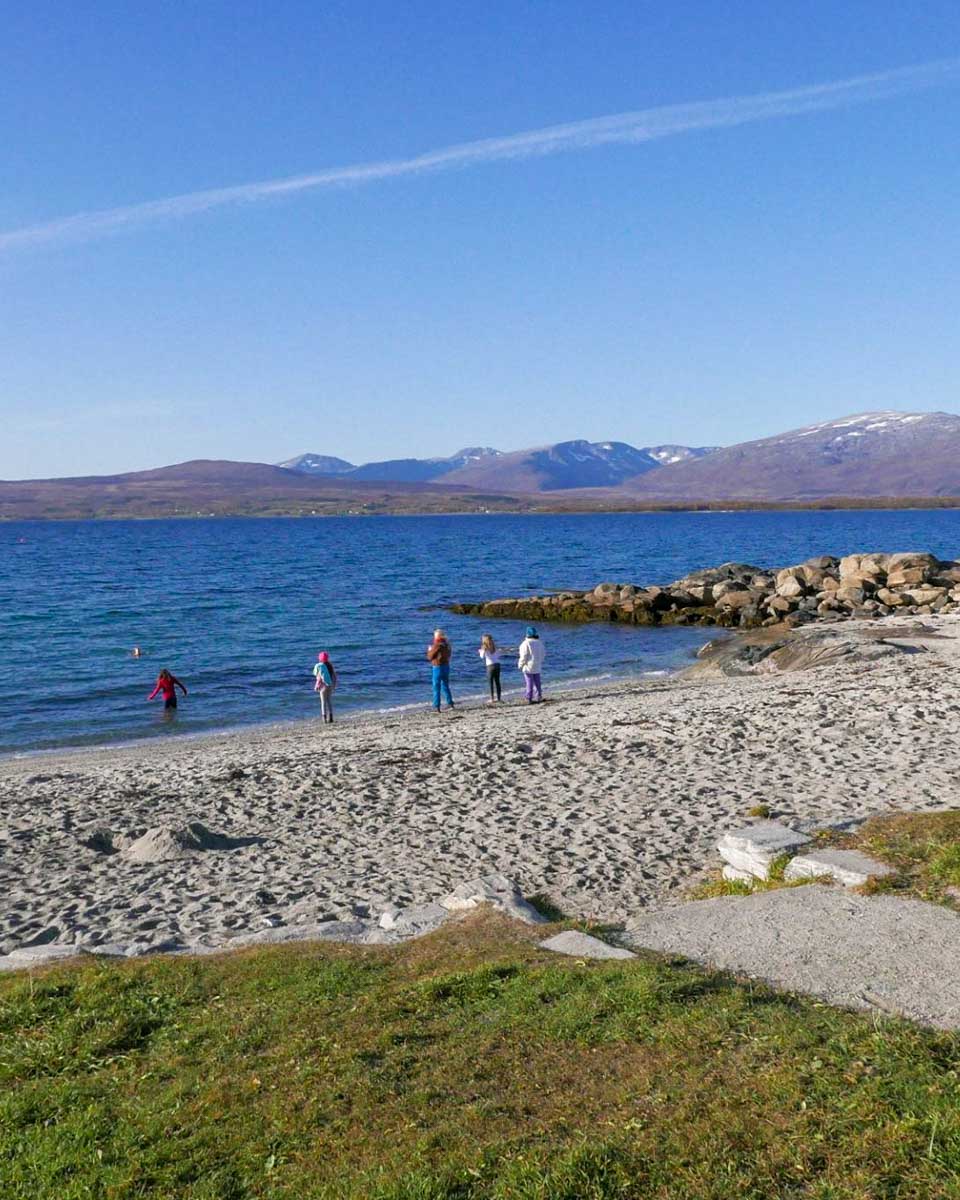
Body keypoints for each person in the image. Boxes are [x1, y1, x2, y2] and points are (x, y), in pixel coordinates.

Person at [427, 628, 454, 711]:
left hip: (437, 667)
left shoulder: (437, 645)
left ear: (437, 636)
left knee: (436, 687)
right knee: (445, 685)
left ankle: (437, 706)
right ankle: (450, 703)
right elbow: (449, 655)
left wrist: (429, 650)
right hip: (446, 666)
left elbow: (429, 657)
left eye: (434, 636)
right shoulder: (447, 644)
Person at [517, 626, 545, 704]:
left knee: (529, 682)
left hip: (528, 666)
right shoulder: (539, 642)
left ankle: (529, 697)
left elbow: (524, 656)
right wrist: (540, 661)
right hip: (537, 665)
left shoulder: (525, 643)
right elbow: (543, 654)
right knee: (537, 682)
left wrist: (520, 665)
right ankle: (538, 696)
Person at [313, 651, 337, 723]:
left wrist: (316, 686)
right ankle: (331, 717)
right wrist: (334, 685)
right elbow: (334, 676)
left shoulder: (320, 667)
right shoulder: (330, 666)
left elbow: (319, 678)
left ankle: (324, 718)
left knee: (323, 702)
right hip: (330, 685)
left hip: (323, 686)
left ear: (320, 659)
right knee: (329, 701)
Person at [478, 633, 503, 703]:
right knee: (497, 682)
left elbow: (482, 656)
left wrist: (480, 651)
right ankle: (499, 698)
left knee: (490, 683)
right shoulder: (494, 646)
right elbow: (498, 654)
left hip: (490, 666)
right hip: (497, 664)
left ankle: (492, 699)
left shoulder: (484, 647)